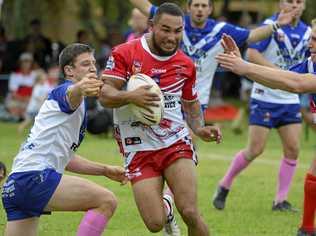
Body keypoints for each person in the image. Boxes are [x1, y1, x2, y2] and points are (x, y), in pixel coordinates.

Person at [99, 3, 221, 236]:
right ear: (151, 26)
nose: (172, 37)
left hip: (175, 142)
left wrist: (200, 127)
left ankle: (177, 207)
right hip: (138, 147)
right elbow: (105, 95)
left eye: (178, 31)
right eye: (166, 29)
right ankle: (167, 206)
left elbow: (191, 103)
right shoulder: (125, 52)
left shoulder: (185, 64)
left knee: (191, 212)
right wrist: (131, 96)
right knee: (155, 223)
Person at [1, 43, 127, 236]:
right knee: (106, 200)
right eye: (85, 64)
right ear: (69, 70)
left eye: (93, 63)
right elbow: (70, 94)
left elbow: (66, 158)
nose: (93, 67)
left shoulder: (72, 104)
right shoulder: (65, 91)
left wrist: (105, 170)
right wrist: (80, 87)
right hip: (35, 178)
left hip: (15, 185)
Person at [215, 20, 316, 235]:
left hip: (287, 105)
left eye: (315, 40)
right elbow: (282, 80)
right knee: (258, 149)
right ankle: (306, 230)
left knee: (299, 154)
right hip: (263, 101)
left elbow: (296, 84)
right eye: (311, 38)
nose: (310, 43)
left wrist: (244, 67)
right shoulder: (310, 63)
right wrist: (242, 65)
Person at [129, 0, 297, 112]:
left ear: (210, 9)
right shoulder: (175, 22)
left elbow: (251, 36)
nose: (200, 9)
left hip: (196, 100)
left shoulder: (221, 30)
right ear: (189, 8)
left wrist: (277, 25)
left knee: (186, 148)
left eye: (204, 5)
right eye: (196, 5)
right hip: (166, 95)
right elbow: (145, 6)